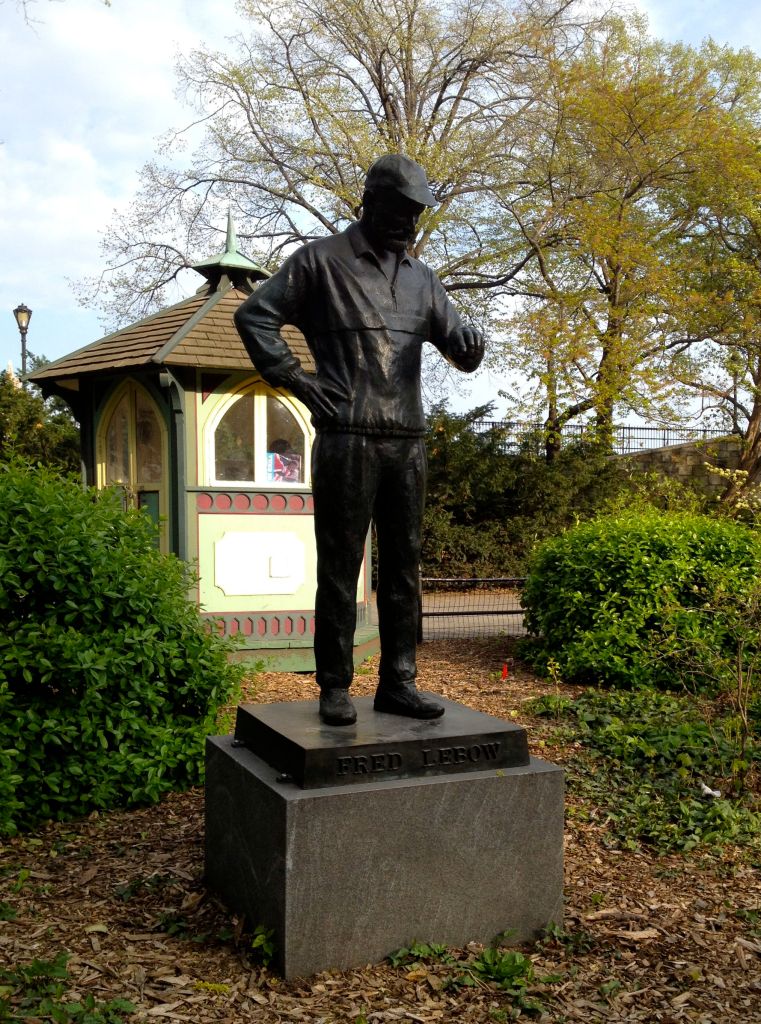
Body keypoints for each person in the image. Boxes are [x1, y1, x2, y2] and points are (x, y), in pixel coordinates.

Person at [235, 154, 484, 726]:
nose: (408, 224)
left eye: (416, 215)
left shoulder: (423, 280)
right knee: (341, 566)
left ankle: (399, 681)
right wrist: (295, 377)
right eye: (399, 210)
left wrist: (471, 347)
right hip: (347, 437)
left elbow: (458, 347)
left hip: (407, 440)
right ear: (370, 201)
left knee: (404, 567)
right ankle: (334, 686)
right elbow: (256, 316)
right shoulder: (321, 263)